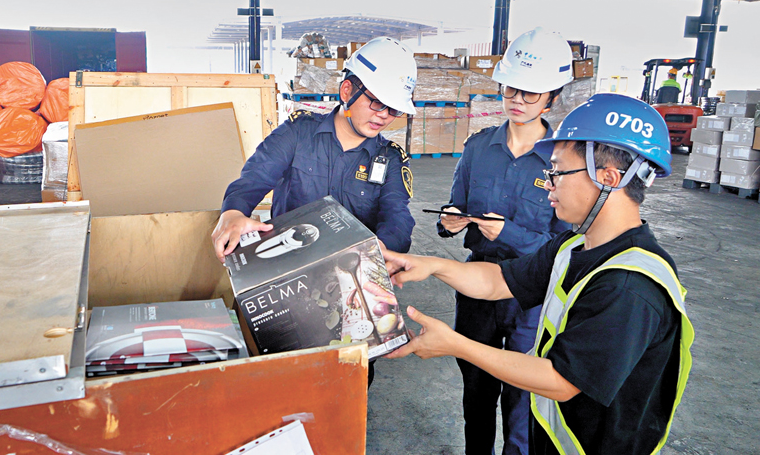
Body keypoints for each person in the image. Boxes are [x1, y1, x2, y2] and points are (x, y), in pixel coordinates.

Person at [384, 93, 694, 455]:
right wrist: (432, 264)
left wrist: (454, 344)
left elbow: (560, 380)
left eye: (559, 172)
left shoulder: (630, 285)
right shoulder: (574, 246)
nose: (548, 184)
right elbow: (499, 281)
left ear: (609, 177)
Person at [436, 27, 572, 455]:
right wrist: (450, 222)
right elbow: (454, 207)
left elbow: (565, 243)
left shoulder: (563, 160)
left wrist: (508, 233)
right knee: (475, 390)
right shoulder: (478, 148)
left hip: (531, 295)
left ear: (552, 96)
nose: (517, 99)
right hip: (477, 286)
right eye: (512, 87)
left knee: (521, 397)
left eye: (530, 93)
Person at [212, 36, 416, 260]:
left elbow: (397, 215)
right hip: (288, 262)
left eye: (394, 109)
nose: (385, 115)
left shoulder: (390, 158)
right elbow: (255, 177)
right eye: (377, 102)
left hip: (350, 268)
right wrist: (233, 213)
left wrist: (383, 247)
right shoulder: (298, 132)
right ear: (347, 91)